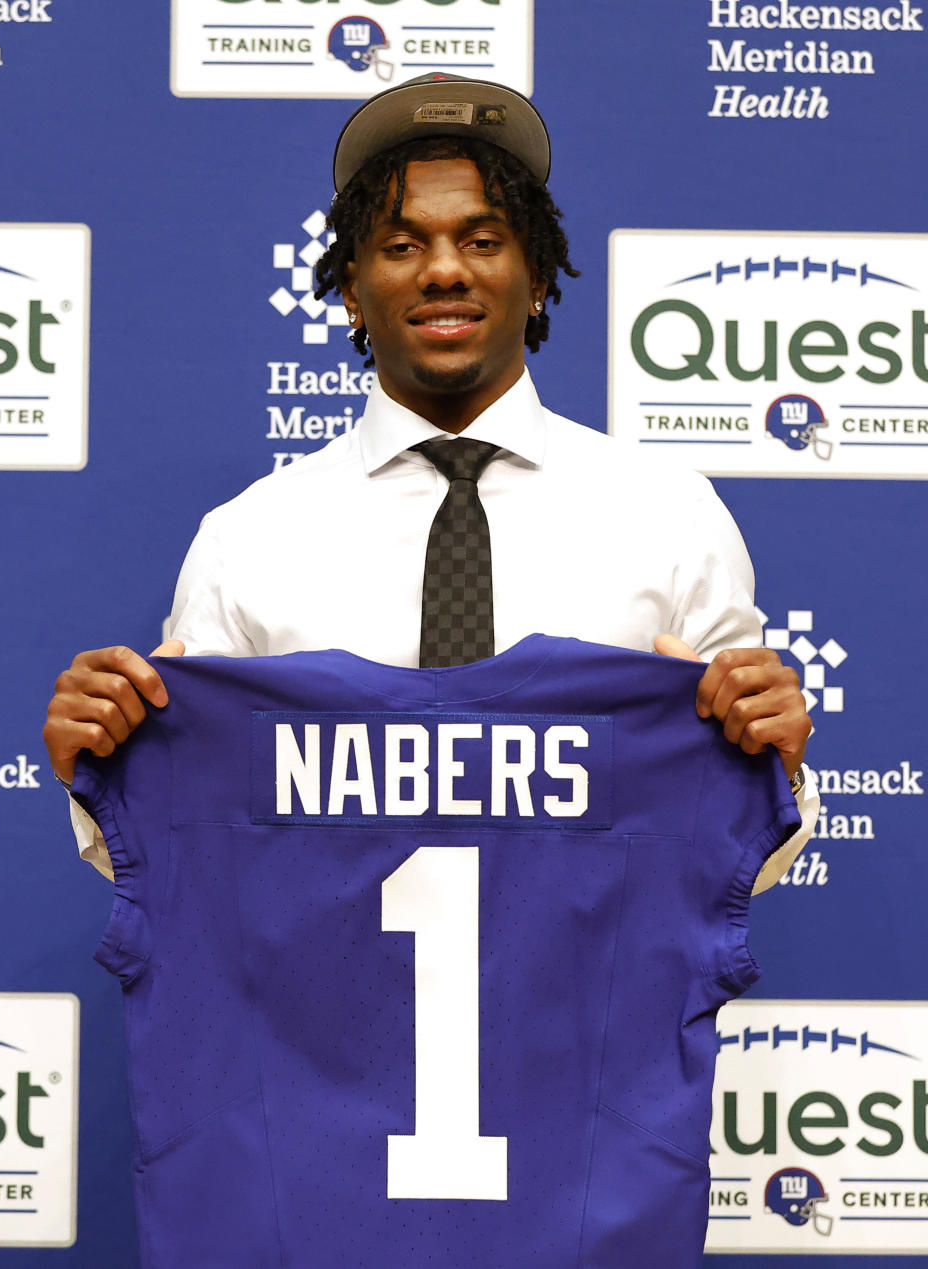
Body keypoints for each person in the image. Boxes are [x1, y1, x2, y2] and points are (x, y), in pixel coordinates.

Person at [43, 73, 817, 884]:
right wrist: (103, 767)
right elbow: (187, 845)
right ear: (350, 291)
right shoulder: (248, 536)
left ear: (540, 276)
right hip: (327, 1005)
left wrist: (778, 766)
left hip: (597, 1006)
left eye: (483, 241)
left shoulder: (670, 515)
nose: (444, 270)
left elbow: (747, 862)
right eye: (401, 245)